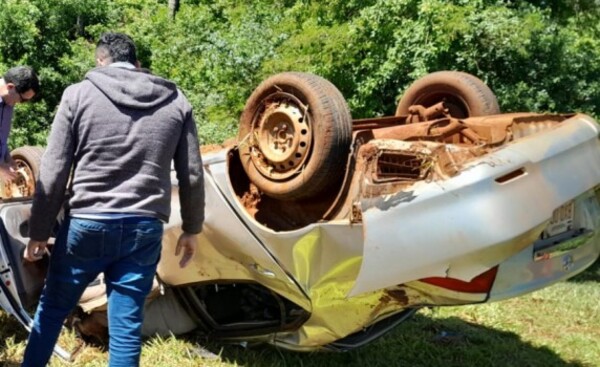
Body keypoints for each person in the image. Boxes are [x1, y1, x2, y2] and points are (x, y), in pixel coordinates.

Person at [22, 32, 205, 367]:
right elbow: (192, 173)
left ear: (100, 60)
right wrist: (192, 228)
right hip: (144, 228)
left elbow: (54, 168)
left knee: (51, 311)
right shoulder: (175, 100)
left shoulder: (78, 95)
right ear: (137, 63)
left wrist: (38, 231)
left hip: (87, 225)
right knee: (126, 328)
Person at [0, 66, 40, 184]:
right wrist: (1, 167)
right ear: (10, 87)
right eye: (23, 99)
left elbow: (1, 139)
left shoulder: (8, 104)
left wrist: (8, 158)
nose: (21, 103)